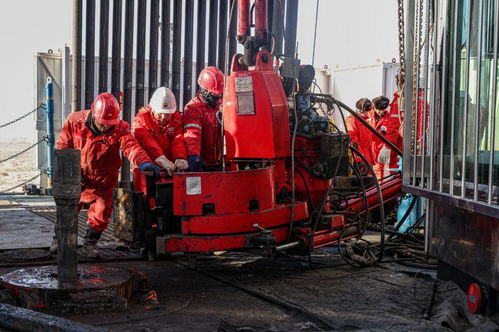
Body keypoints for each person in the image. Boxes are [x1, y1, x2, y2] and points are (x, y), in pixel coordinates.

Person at [54, 92, 161, 258]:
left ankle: (90, 244)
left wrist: (144, 163)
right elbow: (62, 148)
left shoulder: (120, 128)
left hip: (103, 181)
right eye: (103, 123)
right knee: (68, 210)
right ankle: (60, 240)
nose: (105, 127)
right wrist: (69, 175)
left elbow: (131, 147)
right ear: (93, 113)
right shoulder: (74, 122)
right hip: (77, 179)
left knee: (101, 213)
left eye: (109, 124)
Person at [133, 87, 188, 189]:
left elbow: (178, 140)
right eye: (160, 113)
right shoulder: (142, 121)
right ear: (152, 109)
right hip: (148, 171)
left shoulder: (178, 121)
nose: (163, 117)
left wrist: (180, 157)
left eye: (167, 114)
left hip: (170, 172)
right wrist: (159, 158)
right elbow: (147, 142)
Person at [184, 66, 224, 171]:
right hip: (202, 162)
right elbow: (192, 135)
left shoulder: (221, 106)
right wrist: (194, 156)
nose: (218, 98)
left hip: (219, 161)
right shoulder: (193, 109)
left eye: (219, 95)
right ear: (204, 91)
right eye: (214, 95)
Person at [346, 98, 374, 172]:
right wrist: (359, 156)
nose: (368, 113)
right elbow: (353, 140)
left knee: (371, 180)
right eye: (366, 111)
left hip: (368, 157)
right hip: (359, 157)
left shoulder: (367, 119)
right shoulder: (352, 119)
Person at [370, 96, 391, 179]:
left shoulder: (389, 117)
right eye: (379, 110)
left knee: (378, 169)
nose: (381, 112)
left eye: (383, 110)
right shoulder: (368, 114)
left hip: (379, 147)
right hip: (368, 147)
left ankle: (378, 189)